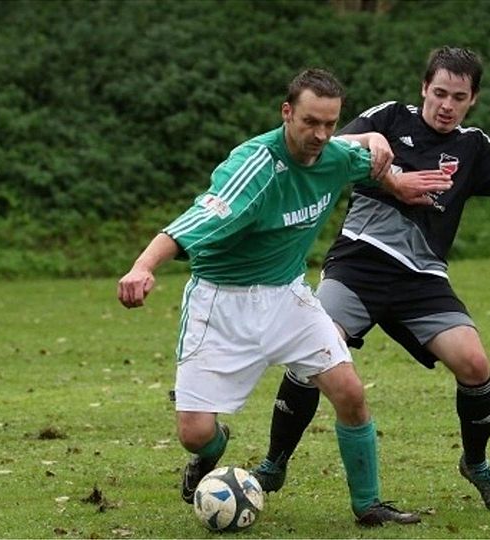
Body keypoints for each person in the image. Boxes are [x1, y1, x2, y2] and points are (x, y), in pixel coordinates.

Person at [116, 68, 452, 527]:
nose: (321, 135)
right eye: (310, 122)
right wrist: (142, 266)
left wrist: (398, 184)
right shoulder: (253, 167)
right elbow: (190, 222)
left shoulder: (332, 156)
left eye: (331, 124)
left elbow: (366, 165)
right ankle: (210, 452)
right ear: (287, 112)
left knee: (350, 392)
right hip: (222, 302)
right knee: (195, 434)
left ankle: (368, 506)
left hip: (289, 298)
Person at [251, 47, 490, 512]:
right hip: (358, 265)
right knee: (312, 354)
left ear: (472, 100)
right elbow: (333, 152)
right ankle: (274, 462)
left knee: (474, 364)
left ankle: (477, 464)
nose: (446, 104)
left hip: (422, 279)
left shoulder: (473, 147)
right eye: (439, 92)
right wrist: (387, 170)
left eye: (458, 97)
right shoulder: (386, 117)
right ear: (424, 87)